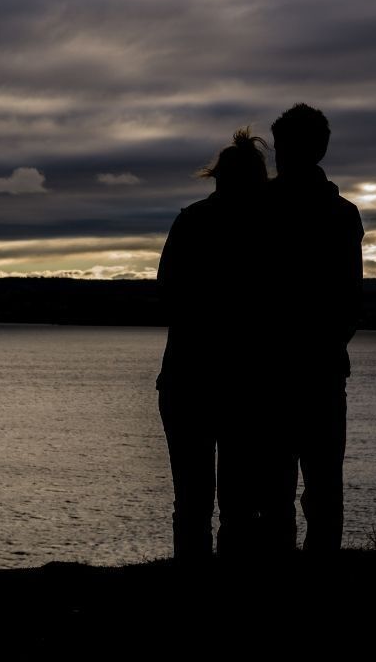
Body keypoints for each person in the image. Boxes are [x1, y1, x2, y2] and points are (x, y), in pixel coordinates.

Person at [156, 129, 269, 561]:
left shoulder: (191, 220)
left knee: (191, 501)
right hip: (245, 383)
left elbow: (167, 293)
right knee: (239, 505)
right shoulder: (267, 229)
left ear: (218, 178)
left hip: (186, 378)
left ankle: (192, 591)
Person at [261, 103, 364, 555]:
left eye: (284, 145)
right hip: (318, 365)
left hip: (273, 366)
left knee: (278, 488)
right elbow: (349, 300)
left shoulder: (260, 207)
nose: (280, 155)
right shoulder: (342, 214)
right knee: (317, 487)